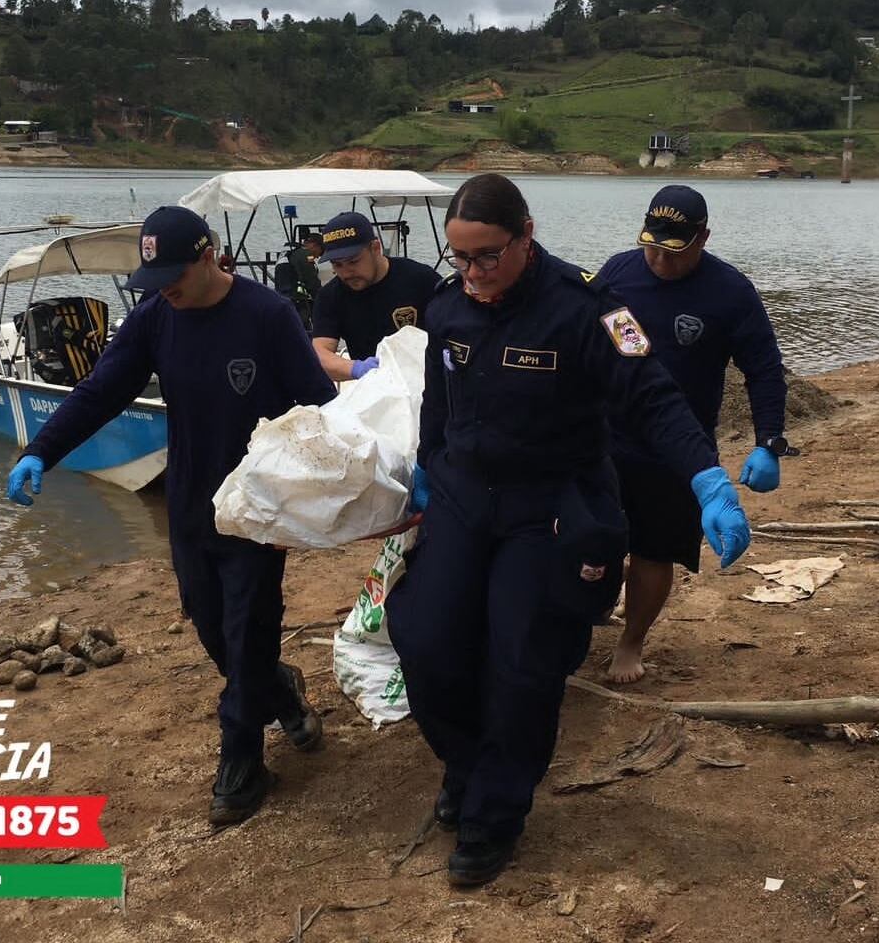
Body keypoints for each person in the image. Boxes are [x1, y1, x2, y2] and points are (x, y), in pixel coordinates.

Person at [385, 174, 752, 887]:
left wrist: (706, 477)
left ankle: (494, 816)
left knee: (520, 664)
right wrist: (429, 468)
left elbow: (655, 396)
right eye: (459, 257)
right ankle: (467, 765)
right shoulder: (447, 306)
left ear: (526, 235)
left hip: (549, 505)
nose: (473, 273)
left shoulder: (592, 311)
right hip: (464, 498)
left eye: (487, 255)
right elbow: (438, 393)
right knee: (426, 644)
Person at [5, 205, 338, 826]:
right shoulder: (155, 318)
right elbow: (102, 390)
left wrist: (316, 501)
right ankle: (279, 689)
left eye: (175, 278)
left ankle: (241, 765)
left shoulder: (267, 315)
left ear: (210, 255)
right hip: (189, 506)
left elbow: (319, 410)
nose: (166, 291)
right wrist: (41, 451)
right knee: (214, 631)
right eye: (154, 281)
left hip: (255, 508)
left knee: (248, 631)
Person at [597, 185, 788, 685]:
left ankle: (632, 639)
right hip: (606, 437)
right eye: (650, 245)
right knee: (590, 538)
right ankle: (588, 612)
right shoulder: (617, 275)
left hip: (678, 448)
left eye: (673, 250)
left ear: (703, 237)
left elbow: (764, 369)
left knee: (655, 550)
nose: (657, 259)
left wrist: (769, 441)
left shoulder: (729, 292)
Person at [310, 210, 441, 381]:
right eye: (337, 265)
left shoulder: (420, 279)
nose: (347, 272)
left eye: (353, 261)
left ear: (376, 248)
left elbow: (454, 329)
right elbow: (320, 353)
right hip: (374, 384)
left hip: (427, 379)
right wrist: (357, 368)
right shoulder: (331, 296)